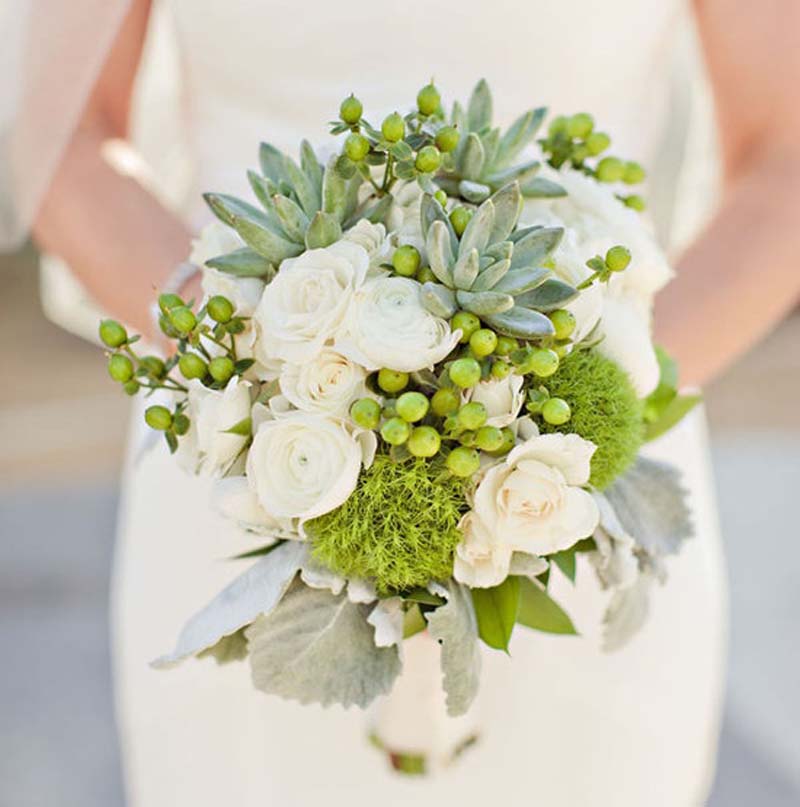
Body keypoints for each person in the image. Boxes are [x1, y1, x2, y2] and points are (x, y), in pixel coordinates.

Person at [7, 0, 800, 804]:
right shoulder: (257, 410)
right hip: (248, 471)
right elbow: (61, 136)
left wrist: (583, 402)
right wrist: (259, 377)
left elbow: (785, 159)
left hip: (573, 485)